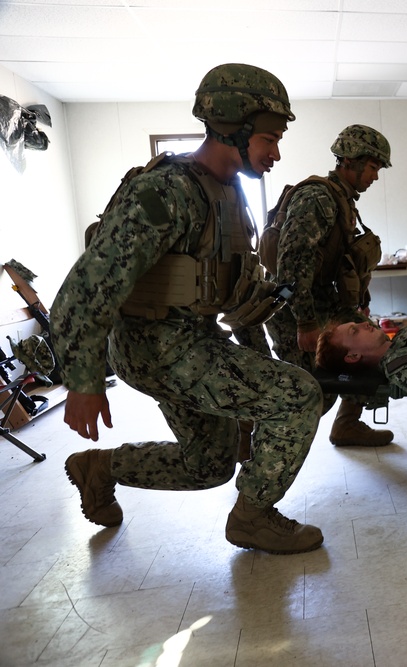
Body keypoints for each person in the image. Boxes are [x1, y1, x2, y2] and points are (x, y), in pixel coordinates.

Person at [50, 64, 325, 555]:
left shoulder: (225, 192)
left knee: (209, 465)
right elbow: (85, 291)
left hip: (192, 339)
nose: (275, 153)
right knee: (299, 396)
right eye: (268, 138)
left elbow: (235, 289)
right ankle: (253, 518)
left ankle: (99, 469)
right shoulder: (164, 192)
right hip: (157, 347)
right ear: (231, 127)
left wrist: (274, 332)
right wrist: (84, 382)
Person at [265, 124, 394, 447]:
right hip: (294, 309)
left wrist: (356, 304)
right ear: (350, 161)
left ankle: (348, 425)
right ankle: (260, 440)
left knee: (371, 348)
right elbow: (292, 263)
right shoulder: (317, 198)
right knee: (311, 393)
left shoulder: (342, 200)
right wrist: (306, 322)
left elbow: (341, 262)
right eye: (373, 167)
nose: (375, 177)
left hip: (324, 304)